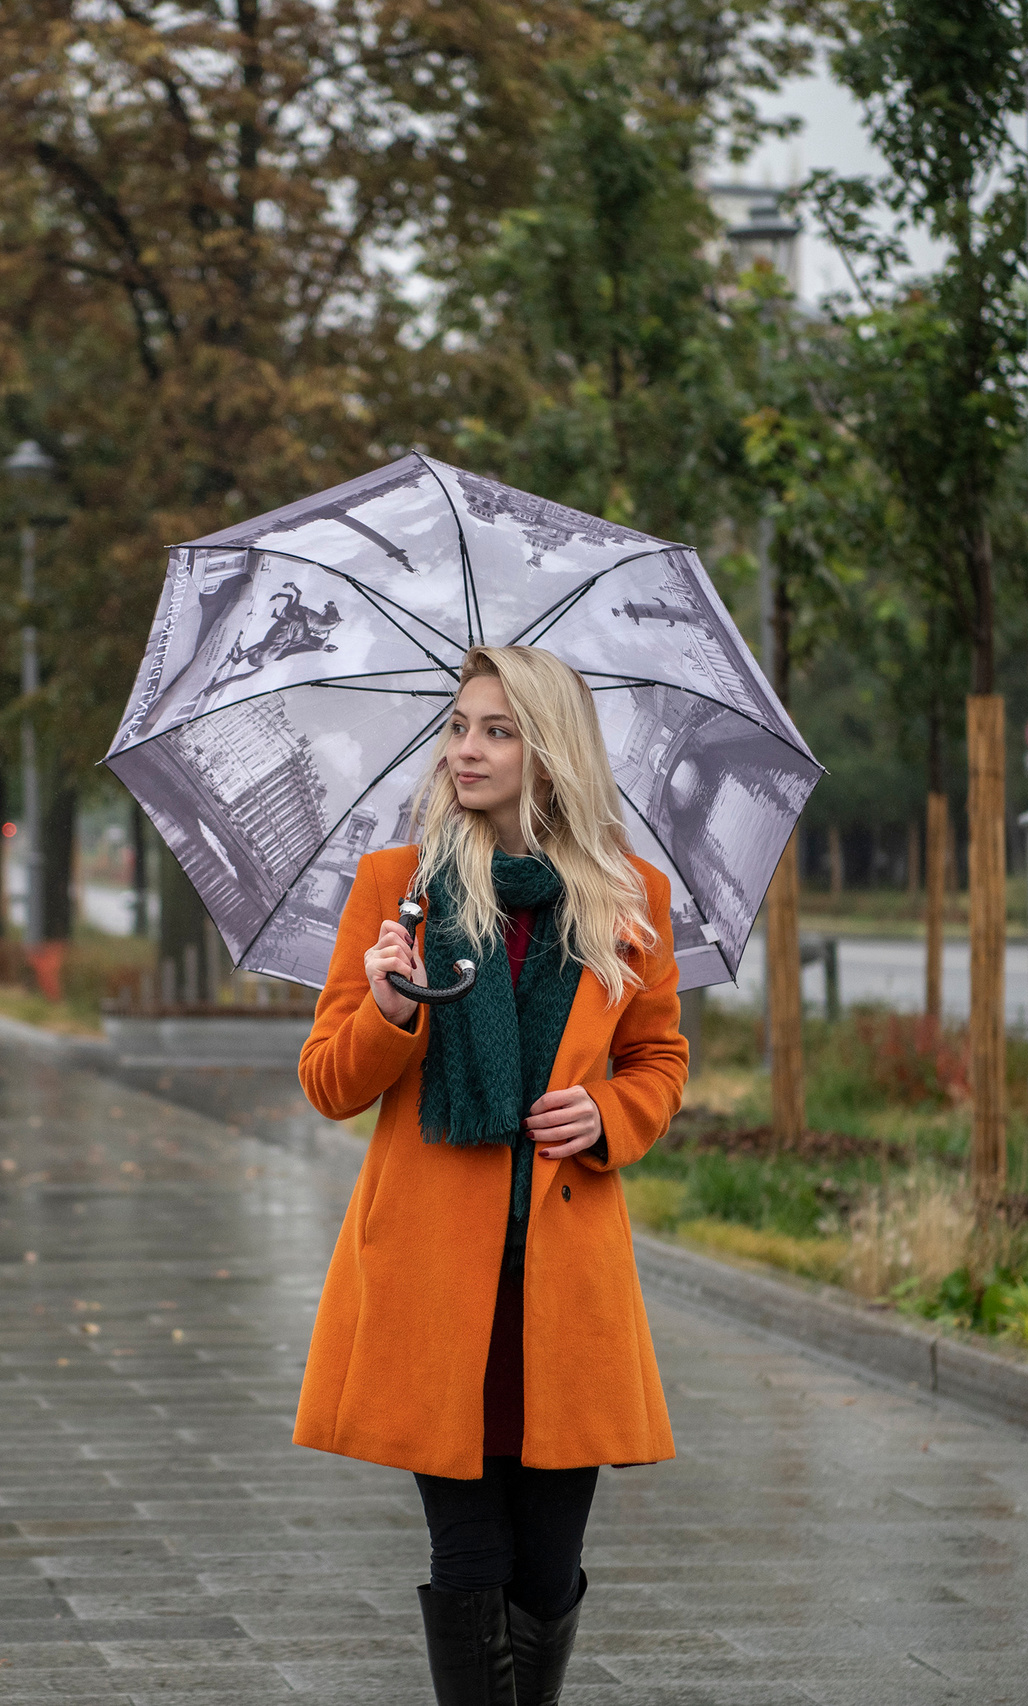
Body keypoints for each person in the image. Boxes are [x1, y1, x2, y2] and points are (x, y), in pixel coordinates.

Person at [294, 645, 688, 1706]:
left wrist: (604, 1112)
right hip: (435, 1280)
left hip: (564, 1285)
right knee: (468, 1553)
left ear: (549, 751)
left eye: (496, 729)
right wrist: (390, 1006)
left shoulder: (626, 897)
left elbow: (659, 1059)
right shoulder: (401, 889)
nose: (465, 747)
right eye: (459, 725)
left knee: (548, 1566)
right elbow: (328, 1081)